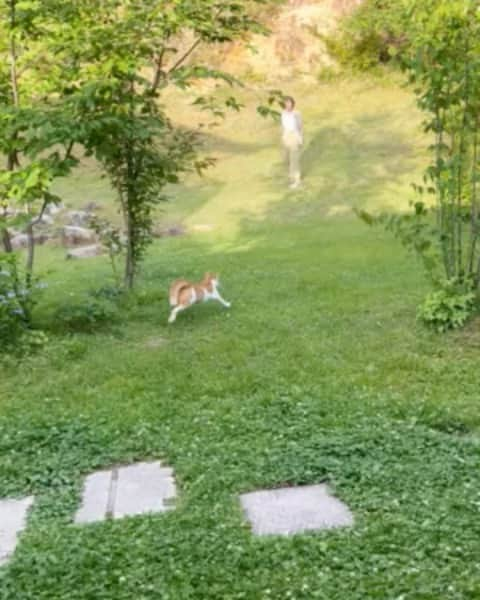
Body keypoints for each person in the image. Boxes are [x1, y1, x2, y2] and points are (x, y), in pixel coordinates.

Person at [281, 96, 303, 189]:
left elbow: (300, 126)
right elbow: (283, 126)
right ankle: (291, 176)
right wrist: (283, 137)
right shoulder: (283, 114)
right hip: (286, 136)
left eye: (289, 103)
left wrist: (300, 138)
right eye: (286, 103)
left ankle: (296, 180)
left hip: (294, 135)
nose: (288, 105)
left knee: (294, 158)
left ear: (292, 104)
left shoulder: (296, 113)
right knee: (287, 158)